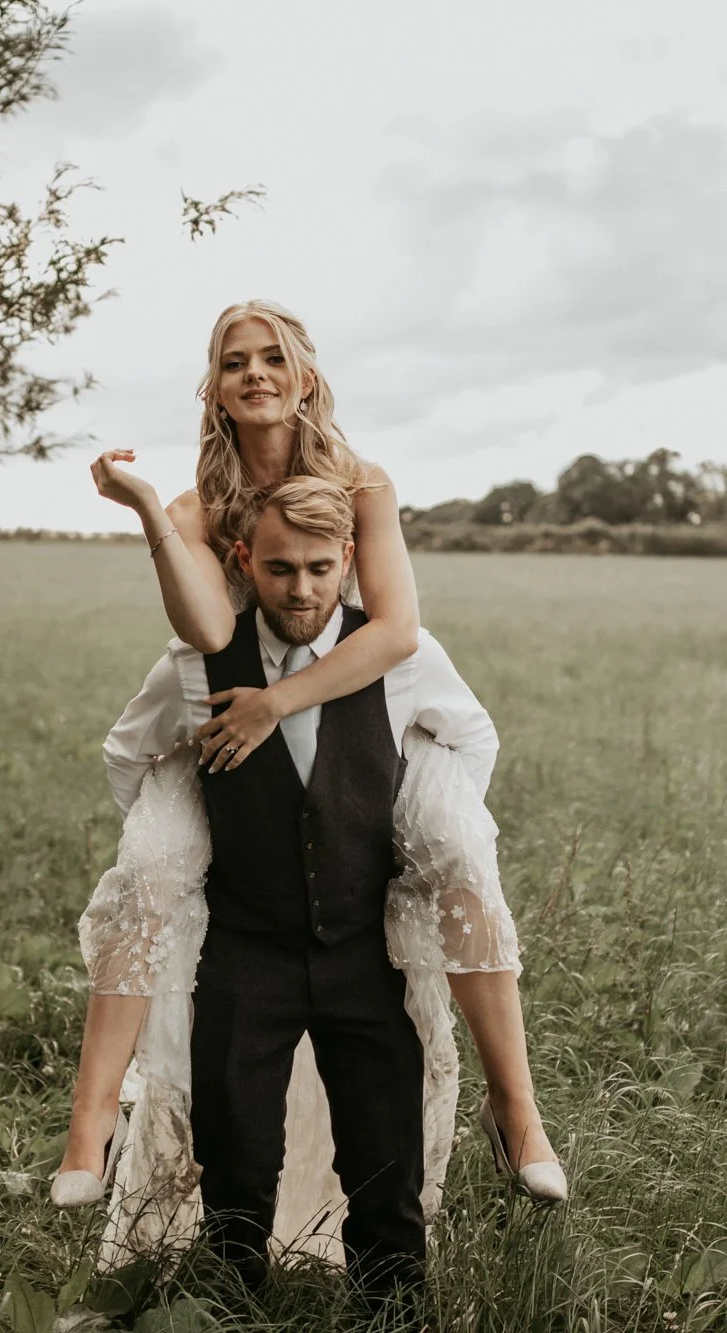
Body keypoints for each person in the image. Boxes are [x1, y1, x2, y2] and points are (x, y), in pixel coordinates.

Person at [51, 301, 566, 1238]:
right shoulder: (193, 510)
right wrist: (143, 512)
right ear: (213, 386)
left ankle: (515, 1108)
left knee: (453, 844)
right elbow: (209, 632)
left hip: (368, 695)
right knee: (155, 861)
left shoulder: (363, 482)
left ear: (304, 376)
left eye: (271, 356)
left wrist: (278, 703)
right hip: (234, 698)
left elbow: (397, 628)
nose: (254, 371)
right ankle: (92, 1123)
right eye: (233, 360)